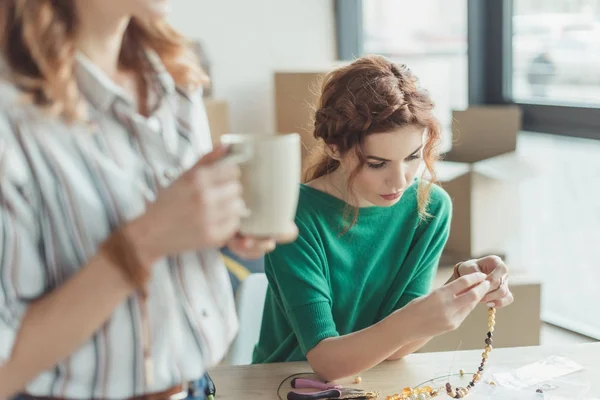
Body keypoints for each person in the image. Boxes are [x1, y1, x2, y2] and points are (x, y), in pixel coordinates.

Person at [0, 0, 296, 399]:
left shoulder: (174, 79)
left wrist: (217, 225)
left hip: (197, 387)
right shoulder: (11, 117)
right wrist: (146, 240)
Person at [252, 55, 514, 382]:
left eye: (413, 157)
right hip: (284, 381)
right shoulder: (295, 214)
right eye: (377, 163)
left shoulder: (429, 207)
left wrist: (460, 287)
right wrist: (416, 318)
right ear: (334, 148)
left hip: (369, 379)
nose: (400, 181)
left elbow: (397, 347)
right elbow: (325, 362)